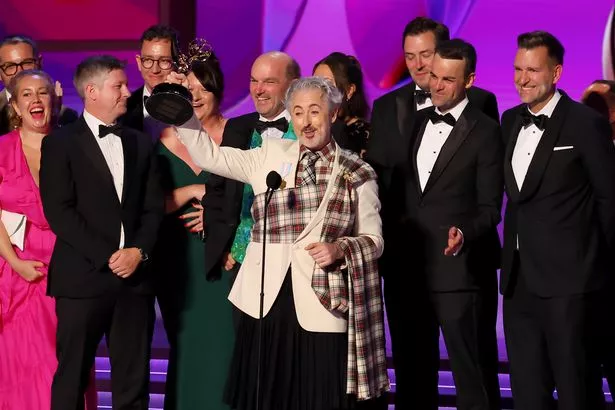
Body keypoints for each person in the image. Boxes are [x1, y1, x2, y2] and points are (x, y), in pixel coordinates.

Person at [171, 74, 389, 409]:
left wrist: (339, 248)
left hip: (322, 300)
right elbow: (212, 157)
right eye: (298, 112)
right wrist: (182, 112)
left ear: (332, 114)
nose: (306, 121)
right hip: (264, 300)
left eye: (314, 111)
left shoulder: (356, 172)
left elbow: (374, 241)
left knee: (317, 397)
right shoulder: (269, 156)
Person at [365, 16, 501, 409]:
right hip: (407, 264)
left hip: (459, 267)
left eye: (428, 56)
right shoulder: (403, 113)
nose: (423, 69)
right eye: (411, 57)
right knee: (410, 371)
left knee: (473, 372)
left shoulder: (484, 116)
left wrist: (466, 231)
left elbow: (489, 198)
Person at [39, 55, 164, 410]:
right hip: (83, 279)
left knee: (133, 382)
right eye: (119, 86)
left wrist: (138, 252)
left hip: (134, 281)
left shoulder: (140, 143)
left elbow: (153, 208)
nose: (128, 92)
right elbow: (59, 212)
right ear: (91, 92)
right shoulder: (60, 143)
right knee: (72, 377)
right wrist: (110, 255)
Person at [501, 31, 615, 410]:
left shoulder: (585, 124)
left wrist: (598, 273)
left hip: (570, 284)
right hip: (518, 284)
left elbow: (608, 199)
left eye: (532, 70)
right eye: (518, 69)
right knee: (528, 394)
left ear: (557, 72)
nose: (522, 79)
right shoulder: (509, 121)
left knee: (575, 391)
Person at [0, 69, 96, 410]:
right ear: (14, 104)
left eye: (42, 93)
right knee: (23, 365)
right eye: (26, 94)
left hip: (69, 268)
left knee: (66, 362)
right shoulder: (1, 149)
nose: (35, 100)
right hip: (19, 270)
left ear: (53, 100)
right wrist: (15, 263)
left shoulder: (73, 144)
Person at [153, 50, 235, 410]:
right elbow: (151, 205)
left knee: (226, 343)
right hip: (179, 263)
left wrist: (219, 215)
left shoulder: (239, 134)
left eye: (205, 89)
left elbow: (258, 196)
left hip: (228, 258)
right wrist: (190, 191)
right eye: (190, 89)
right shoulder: (164, 142)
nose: (197, 97)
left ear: (219, 91)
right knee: (187, 344)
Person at [222, 51, 300, 275]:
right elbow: (221, 188)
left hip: (292, 261)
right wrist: (225, 244)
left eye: (269, 82)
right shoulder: (237, 128)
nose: (258, 90)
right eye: (254, 81)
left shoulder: (308, 130)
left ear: (292, 85)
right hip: (241, 258)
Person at [0, 35, 78, 135]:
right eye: (10, 66)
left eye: (27, 63)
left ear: (40, 63)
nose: (19, 72)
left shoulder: (66, 116)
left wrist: (53, 120)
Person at [121, 25, 179, 137]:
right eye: (148, 60)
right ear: (139, 62)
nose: (155, 69)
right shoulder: (124, 108)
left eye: (164, 61)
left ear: (177, 63)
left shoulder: (192, 105)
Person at [313, 52, 370, 155]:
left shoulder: (365, 134)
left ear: (349, 90)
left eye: (327, 84)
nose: (319, 91)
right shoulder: (311, 129)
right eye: (315, 84)